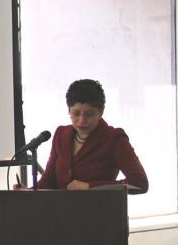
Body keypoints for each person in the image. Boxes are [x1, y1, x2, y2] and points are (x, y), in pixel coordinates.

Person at [16, 79, 148, 194]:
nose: (81, 120)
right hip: (60, 216)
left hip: (100, 215)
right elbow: (49, 180)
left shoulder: (114, 139)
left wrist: (91, 187)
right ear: (69, 110)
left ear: (101, 111)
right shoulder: (61, 135)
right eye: (76, 113)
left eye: (89, 114)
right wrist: (29, 192)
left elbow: (139, 183)